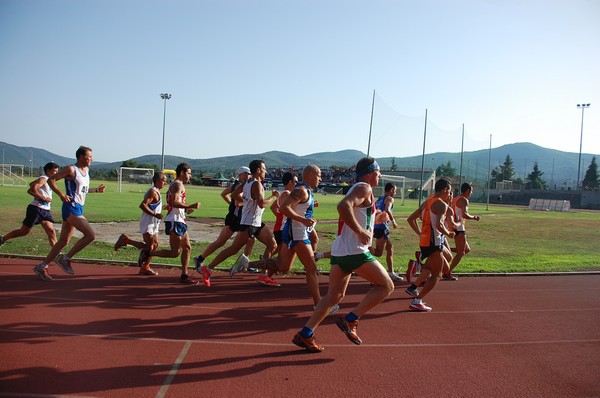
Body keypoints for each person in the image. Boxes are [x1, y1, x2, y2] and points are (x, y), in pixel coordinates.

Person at [292, 157, 394, 353]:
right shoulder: (364, 187)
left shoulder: (360, 188)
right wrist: (360, 231)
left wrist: (375, 219)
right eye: (379, 172)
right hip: (355, 251)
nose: (380, 176)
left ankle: (305, 334)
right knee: (386, 285)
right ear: (370, 172)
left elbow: (357, 213)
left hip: (341, 250)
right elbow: (343, 206)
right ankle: (351, 320)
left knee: (334, 296)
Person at [197, 159, 279, 287]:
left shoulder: (247, 183)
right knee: (233, 249)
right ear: (258, 170)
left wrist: (245, 201)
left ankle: (263, 275)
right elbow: (262, 204)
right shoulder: (256, 184)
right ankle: (208, 269)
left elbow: (235, 194)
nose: (266, 171)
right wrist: (274, 196)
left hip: (256, 222)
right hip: (249, 223)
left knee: (272, 245)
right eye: (264, 169)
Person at [33, 146, 106, 281]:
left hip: (78, 207)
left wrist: (96, 190)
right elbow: (51, 180)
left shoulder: (86, 170)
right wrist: (61, 194)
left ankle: (42, 266)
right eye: (89, 156)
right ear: (80, 157)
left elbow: (83, 189)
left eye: (91, 156)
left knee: (63, 241)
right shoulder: (71, 169)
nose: (91, 159)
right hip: (71, 207)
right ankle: (65, 259)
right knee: (90, 235)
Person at [278, 165, 338, 313]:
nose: (321, 178)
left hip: (297, 230)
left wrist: (307, 219)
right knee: (311, 268)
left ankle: (246, 263)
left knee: (283, 267)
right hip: (297, 232)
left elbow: (300, 208)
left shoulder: (306, 191)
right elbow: (284, 208)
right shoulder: (301, 191)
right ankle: (319, 305)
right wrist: (303, 220)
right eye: (319, 175)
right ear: (310, 175)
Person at [138, 163, 200, 284]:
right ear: (182, 172)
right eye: (189, 173)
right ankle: (148, 253)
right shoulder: (177, 185)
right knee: (174, 253)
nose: (190, 176)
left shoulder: (178, 185)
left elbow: (174, 203)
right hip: (174, 221)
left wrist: (186, 209)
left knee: (187, 248)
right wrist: (190, 205)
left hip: (179, 219)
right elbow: (175, 202)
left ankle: (184, 275)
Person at [404, 178, 455, 312]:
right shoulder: (441, 204)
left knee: (444, 267)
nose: (450, 195)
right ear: (444, 190)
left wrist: (420, 233)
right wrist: (449, 234)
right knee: (437, 274)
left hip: (425, 241)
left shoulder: (428, 202)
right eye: (449, 192)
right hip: (434, 242)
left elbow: (411, 219)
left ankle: (417, 271)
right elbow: (439, 225)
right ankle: (417, 301)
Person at [193, 166, 255, 274]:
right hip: (236, 219)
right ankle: (201, 258)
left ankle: (245, 264)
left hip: (237, 217)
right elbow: (237, 202)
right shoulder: (241, 186)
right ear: (243, 175)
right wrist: (251, 204)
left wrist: (231, 204)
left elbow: (223, 194)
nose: (250, 176)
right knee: (223, 242)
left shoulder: (238, 185)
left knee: (250, 240)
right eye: (248, 174)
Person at [114, 171, 167, 276]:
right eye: (164, 180)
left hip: (154, 223)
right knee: (149, 247)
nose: (165, 183)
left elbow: (153, 206)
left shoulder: (157, 192)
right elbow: (143, 205)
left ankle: (145, 267)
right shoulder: (153, 192)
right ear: (158, 180)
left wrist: (163, 208)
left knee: (155, 245)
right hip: (148, 223)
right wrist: (154, 214)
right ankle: (125, 240)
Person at [1, 161, 60, 248]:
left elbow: (31, 184)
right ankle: (2, 239)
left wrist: (34, 184)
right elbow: (31, 190)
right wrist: (43, 198)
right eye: (54, 171)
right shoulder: (43, 178)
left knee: (51, 231)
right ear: (48, 170)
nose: (56, 173)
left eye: (57, 171)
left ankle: (56, 253)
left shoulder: (49, 180)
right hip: (36, 209)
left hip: (45, 210)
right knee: (23, 232)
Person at [370, 182, 404, 282]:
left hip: (377, 226)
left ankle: (391, 272)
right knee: (378, 253)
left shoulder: (380, 199)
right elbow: (387, 210)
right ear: (392, 190)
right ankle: (364, 251)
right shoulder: (389, 198)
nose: (395, 193)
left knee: (390, 249)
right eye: (395, 190)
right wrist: (393, 222)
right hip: (382, 227)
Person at [447, 182, 481, 279]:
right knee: (461, 252)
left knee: (466, 249)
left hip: (456, 226)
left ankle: (444, 250)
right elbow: (464, 214)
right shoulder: (464, 200)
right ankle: (447, 272)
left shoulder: (456, 199)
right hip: (459, 228)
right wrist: (475, 217)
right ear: (467, 191)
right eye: (471, 191)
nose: (471, 193)